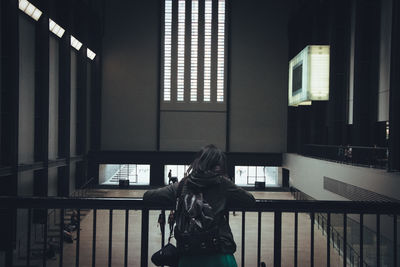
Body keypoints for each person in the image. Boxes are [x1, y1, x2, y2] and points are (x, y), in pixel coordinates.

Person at [144, 144, 255, 267]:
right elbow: (249, 200)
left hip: (189, 256)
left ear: (198, 162)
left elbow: (148, 196)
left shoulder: (181, 186)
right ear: (219, 165)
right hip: (219, 254)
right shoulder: (223, 185)